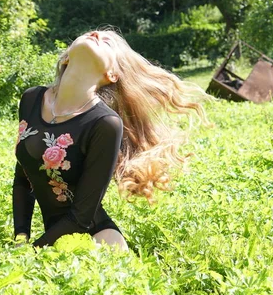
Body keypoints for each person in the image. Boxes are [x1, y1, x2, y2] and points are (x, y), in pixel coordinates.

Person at [13, 28, 207, 250]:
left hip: (96, 239)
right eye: (91, 34)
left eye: (107, 42)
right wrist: (21, 239)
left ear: (112, 74)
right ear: (67, 56)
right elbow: (23, 179)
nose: (96, 34)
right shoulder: (31, 99)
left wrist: (34, 252)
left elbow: (82, 217)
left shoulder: (105, 123)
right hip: (52, 241)